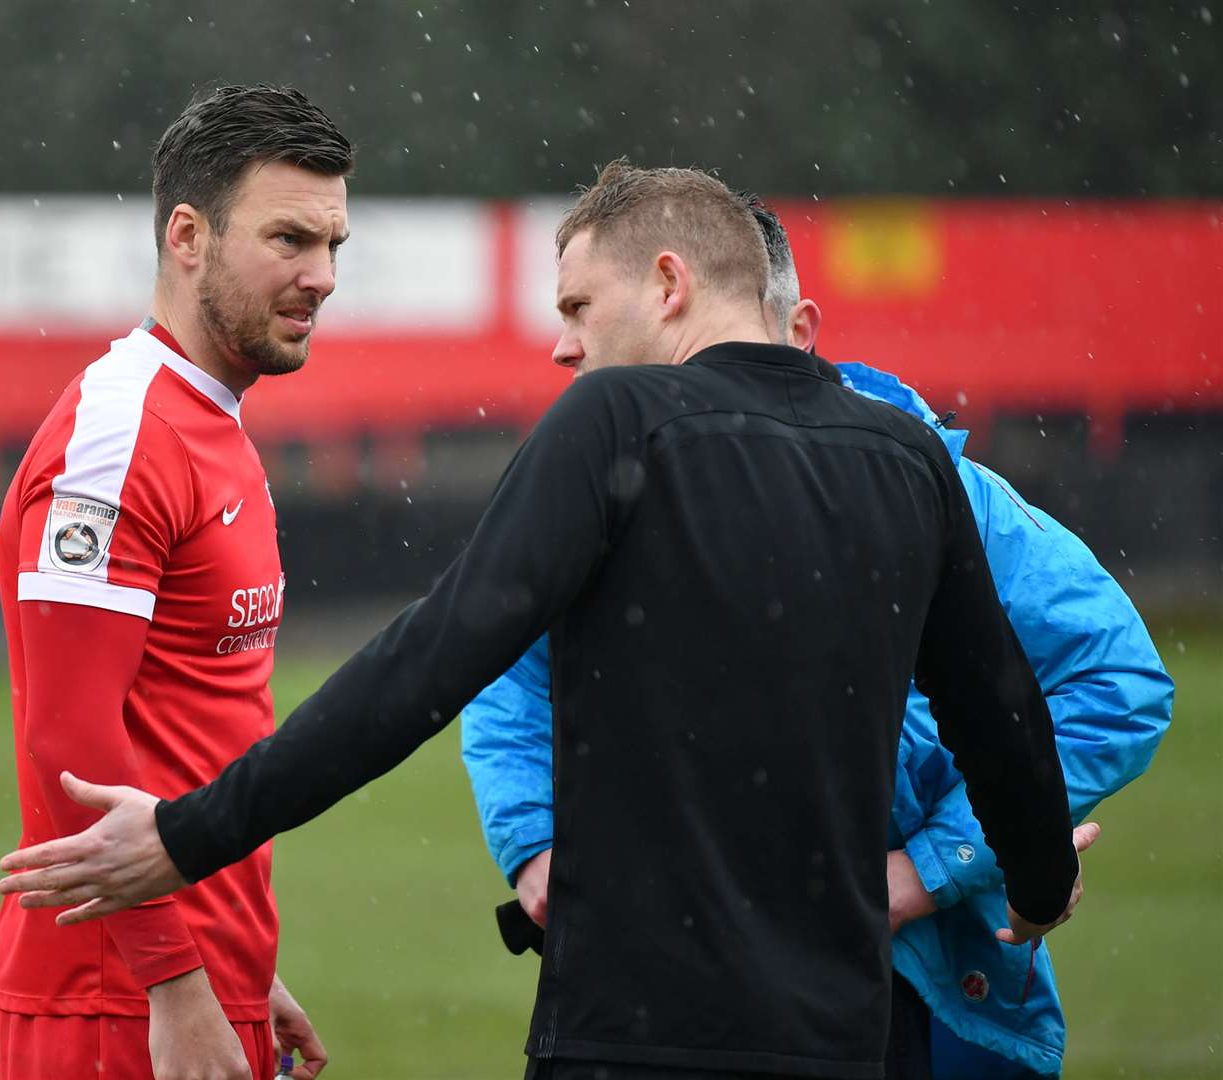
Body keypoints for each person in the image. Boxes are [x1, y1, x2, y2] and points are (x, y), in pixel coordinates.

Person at [0, 160, 1086, 1080]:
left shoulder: (620, 422)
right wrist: (1036, 877)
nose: (563, 349)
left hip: (632, 1037)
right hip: (843, 1038)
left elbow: (428, 663)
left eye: (576, 308)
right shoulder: (904, 456)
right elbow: (999, 705)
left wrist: (188, 836)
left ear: (668, 285)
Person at [460, 200, 1174, 1079]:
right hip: (657, 987)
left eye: (580, 312)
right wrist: (536, 849)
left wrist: (920, 873)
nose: (563, 348)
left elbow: (1117, 679)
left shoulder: (931, 481)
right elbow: (507, 671)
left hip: (910, 991)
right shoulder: (597, 477)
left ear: (796, 329)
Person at [0, 84, 351, 1080]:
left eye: (333, 247)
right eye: (289, 239)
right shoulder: (117, 435)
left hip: (190, 978)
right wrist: (175, 985)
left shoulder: (212, 423)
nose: (320, 277)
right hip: (111, 1004)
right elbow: (70, 743)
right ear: (186, 235)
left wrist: (241, 964)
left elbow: (194, 725)